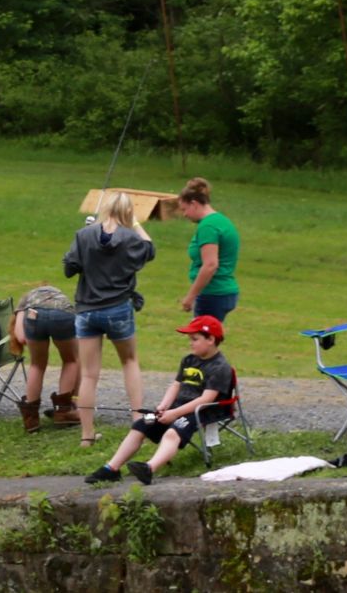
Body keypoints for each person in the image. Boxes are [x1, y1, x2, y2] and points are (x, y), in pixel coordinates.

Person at [88, 316, 236, 486]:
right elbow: (175, 385)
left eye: (195, 339)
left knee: (173, 432)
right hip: (176, 408)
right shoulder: (189, 360)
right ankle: (111, 469)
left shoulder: (220, 367)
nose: (190, 343)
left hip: (202, 412)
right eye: (190, 339)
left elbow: (206, 399)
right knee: (142, 423)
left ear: (211, 339)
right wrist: (164, 405)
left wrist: (174, 414)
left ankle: (149, 468)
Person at [64, 192, 157, 447]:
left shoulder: (84, 236)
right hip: (117, 309)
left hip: (87, 310)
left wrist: (85, 238)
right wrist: (137, 224)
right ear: (128, 212)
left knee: (90, 374)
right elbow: (150, 250)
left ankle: (87, 434)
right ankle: (138, 424)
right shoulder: (130, 238)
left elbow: (69, 268)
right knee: (129, 361)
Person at [14, 285, 84, 432]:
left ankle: (31, 420)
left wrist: (37, 341)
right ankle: (64, 411)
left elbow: (20, 336)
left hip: (34, 316)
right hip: (62, 315)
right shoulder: (60, 298)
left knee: (37, 365)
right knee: (71, 360)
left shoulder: (25, 302)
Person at [175, 178, 240, 320]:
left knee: (201, 340)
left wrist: (190, 297)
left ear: (194, 204)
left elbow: (210, 265)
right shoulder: (221, 220)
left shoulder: (208, 227)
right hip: (225, 291)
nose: (184, 215)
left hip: (213, 293)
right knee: (207, 339)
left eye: (184, 209)